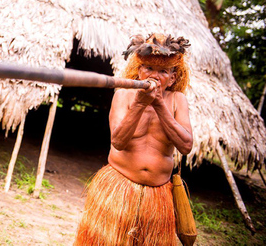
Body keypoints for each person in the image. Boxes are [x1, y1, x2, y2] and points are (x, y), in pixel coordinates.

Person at [74, 33, 193, 245]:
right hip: (119, 187)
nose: (154, 76)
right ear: (139, 71)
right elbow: (118, 142)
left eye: (163, 71)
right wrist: (140, 104)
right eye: (148, 68)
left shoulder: (177, 100)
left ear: (173, 77)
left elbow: (185, 145)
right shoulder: (123, 95)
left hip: (158, 196)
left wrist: (158, 105)